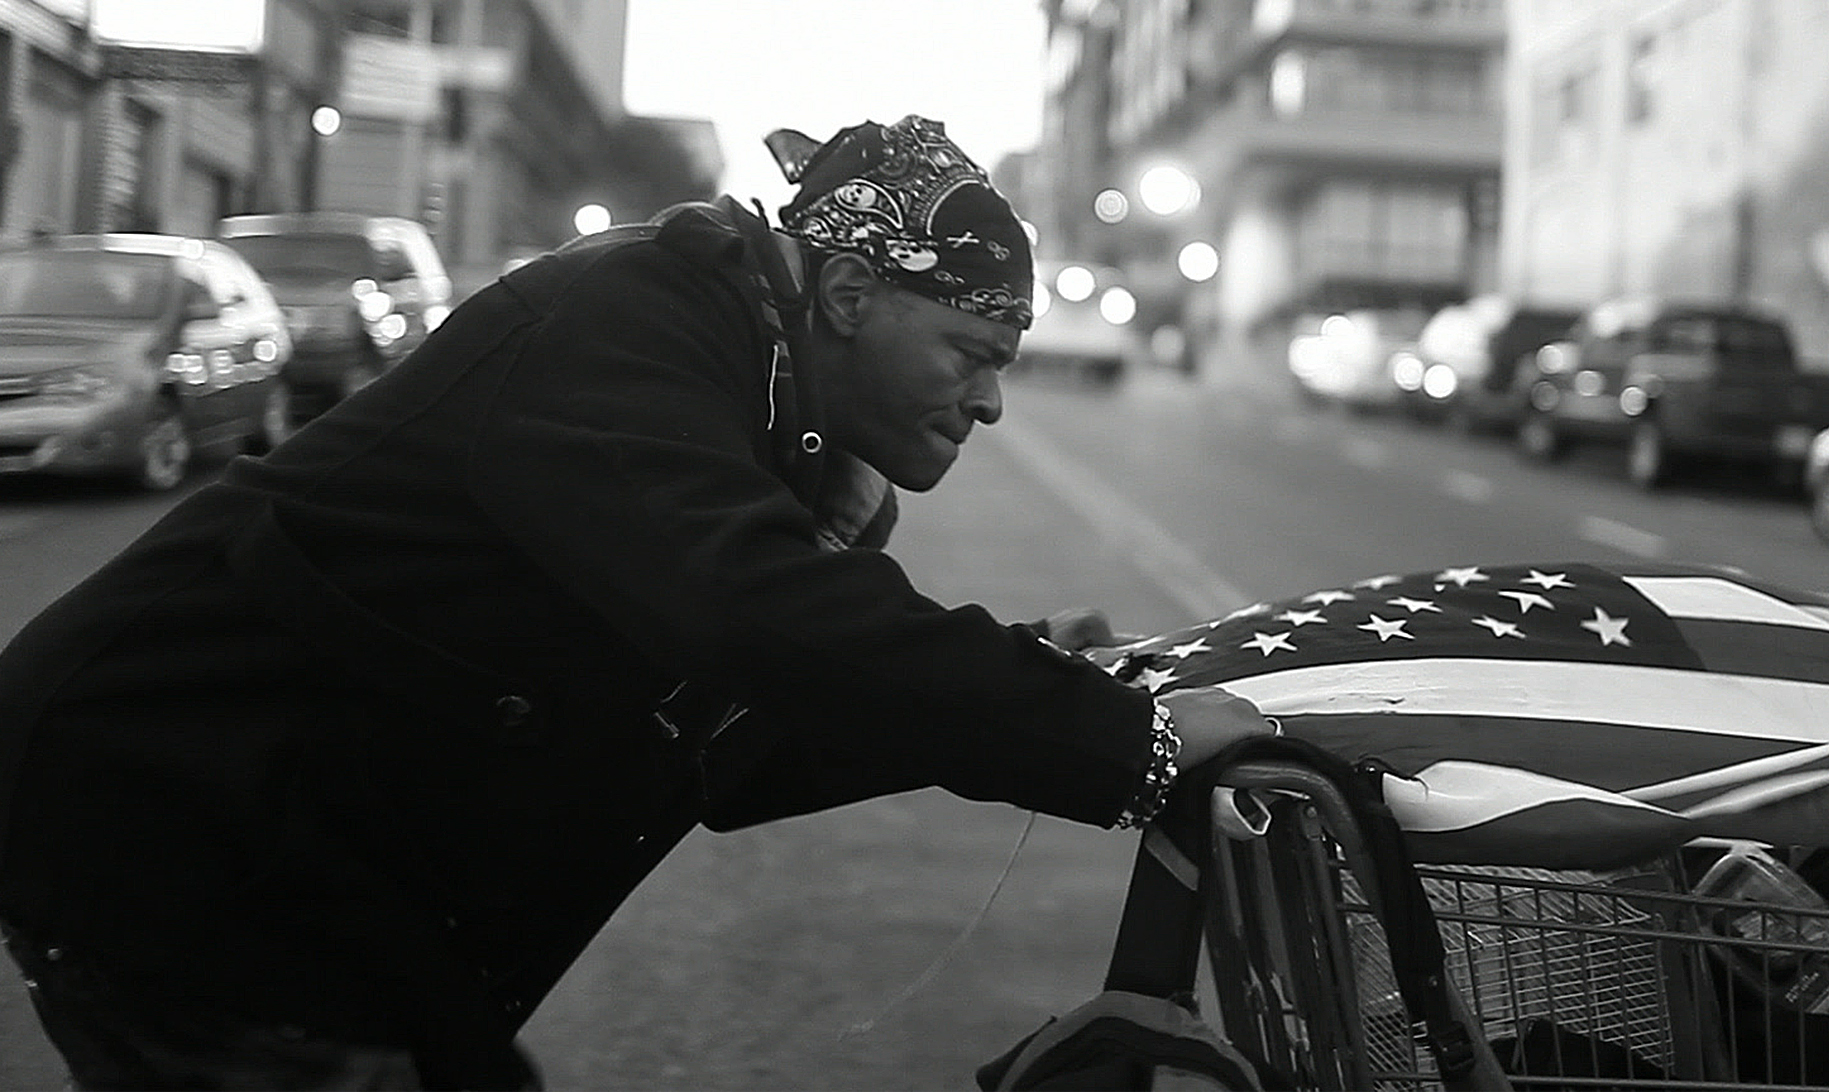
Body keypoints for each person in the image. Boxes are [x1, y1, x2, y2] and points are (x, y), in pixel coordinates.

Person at [0, 114, 1269, 1090]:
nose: (989, 402)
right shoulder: (624, 322)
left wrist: (1042, 674)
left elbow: (730, 741)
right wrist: (1129, 746)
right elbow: (753, 617)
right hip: (173, 815)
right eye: (971, 353)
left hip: (326, 868)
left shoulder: (771, 416)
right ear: (844, 299)